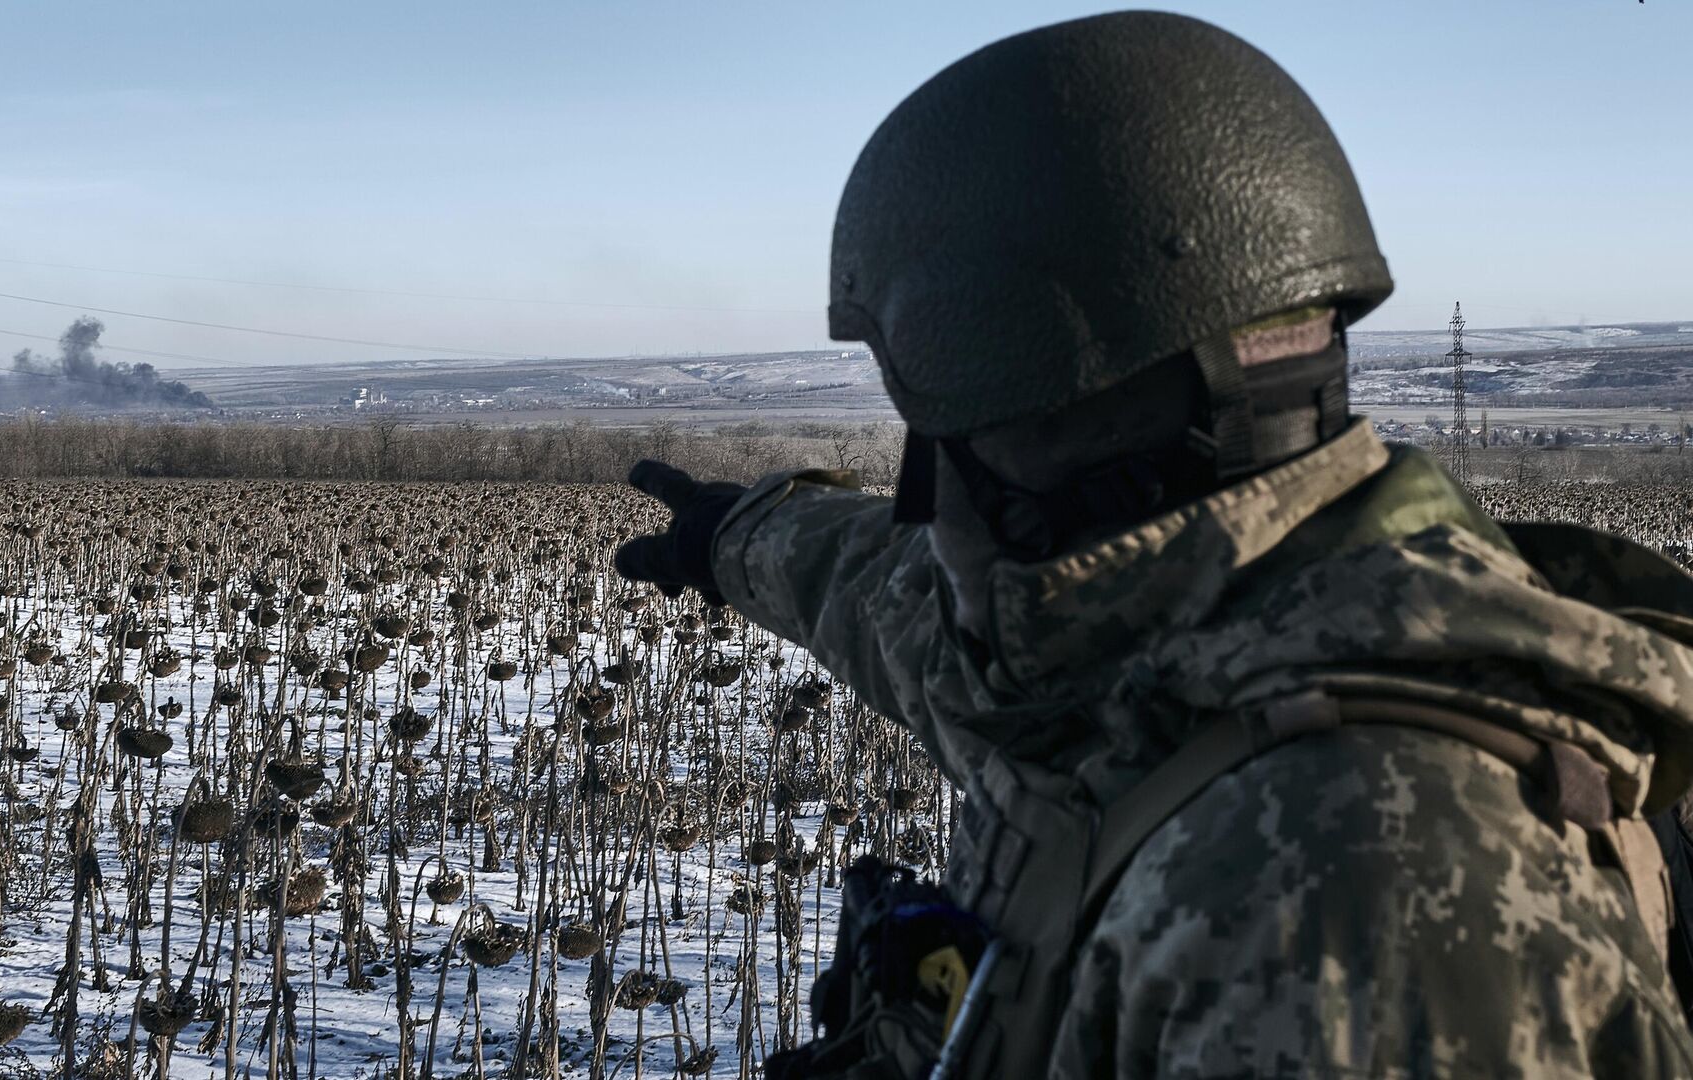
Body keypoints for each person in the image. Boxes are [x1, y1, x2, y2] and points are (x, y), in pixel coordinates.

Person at [616, 11, 1693, 1078]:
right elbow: (897, 609)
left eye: (945, 426)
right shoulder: (1160, 648)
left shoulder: (1352, 891)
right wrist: (737, 537)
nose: (929, 494)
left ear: (1048, 420)